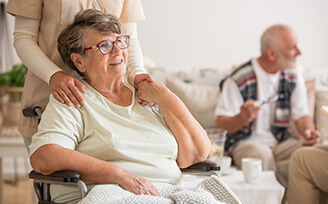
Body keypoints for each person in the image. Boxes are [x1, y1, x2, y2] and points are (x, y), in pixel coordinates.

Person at [28, 9, 211, 204]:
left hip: (168, 194)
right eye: (104, 46)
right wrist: (122, 176)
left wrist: (168, 98)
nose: (118, 52)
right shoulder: (74, 99)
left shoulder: (149, 96)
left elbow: (197, 154)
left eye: (119, 41)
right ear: (79, 61)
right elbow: (44, 157)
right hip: (108, 194)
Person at [5, 0, 153, 147]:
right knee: (55, 162)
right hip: (54, 95)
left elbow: (129, 37)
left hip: (108, 100)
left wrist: (137, 73)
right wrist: (53, 75)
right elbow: (24, 38)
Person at [215, 24, 320, 186]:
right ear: (272, 54)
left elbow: (302, 115)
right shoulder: (238, 79)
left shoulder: (293, 76)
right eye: (292, 48)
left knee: (310, 154)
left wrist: (309, 130)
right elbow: (220, 124)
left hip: (281, 143)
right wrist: (241, 118)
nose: (299, 52)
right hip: (245, 143)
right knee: (262, 156)